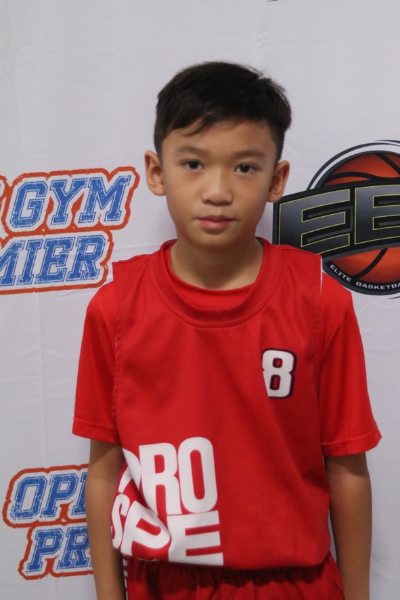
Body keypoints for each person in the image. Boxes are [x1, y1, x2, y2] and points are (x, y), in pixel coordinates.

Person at [73, 62, 381, 600]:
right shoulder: (115, 310)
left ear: (276, 181)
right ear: (156, 172)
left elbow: (347, 468)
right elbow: (103, 473)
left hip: (295, 584)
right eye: (193, 163)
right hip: (165, 582)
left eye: (244, 167)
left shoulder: (320, 302)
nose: (217, 191)